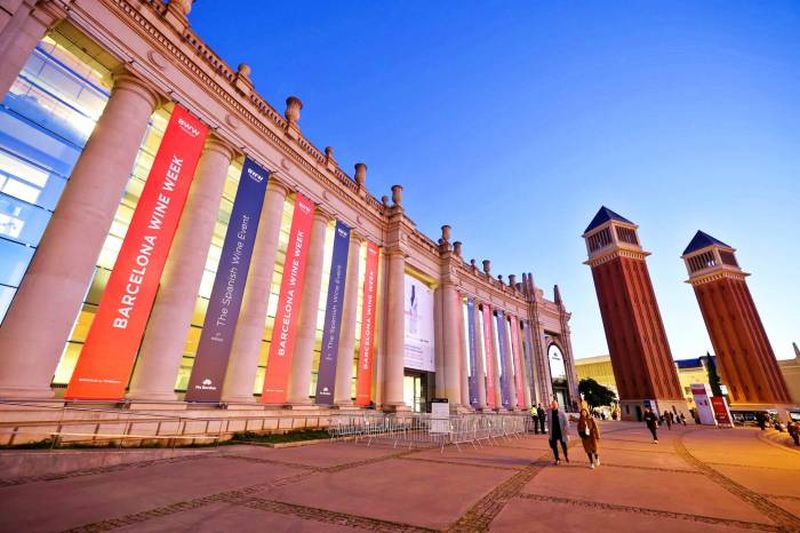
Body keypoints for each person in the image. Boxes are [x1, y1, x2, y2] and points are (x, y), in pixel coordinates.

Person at [548, 400, 569, 464]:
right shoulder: (550, 412)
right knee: (554, 446)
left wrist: (566, 429)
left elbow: (566, 422)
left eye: (555, 404)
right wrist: (549, 431)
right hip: (553, 432)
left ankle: (566, 455)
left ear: (557, 405)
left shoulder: (561, 412)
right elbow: (548, 422)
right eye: (553, 404)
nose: (554, 405)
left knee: (563, 445)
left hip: (561, 431)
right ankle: (557, 459)